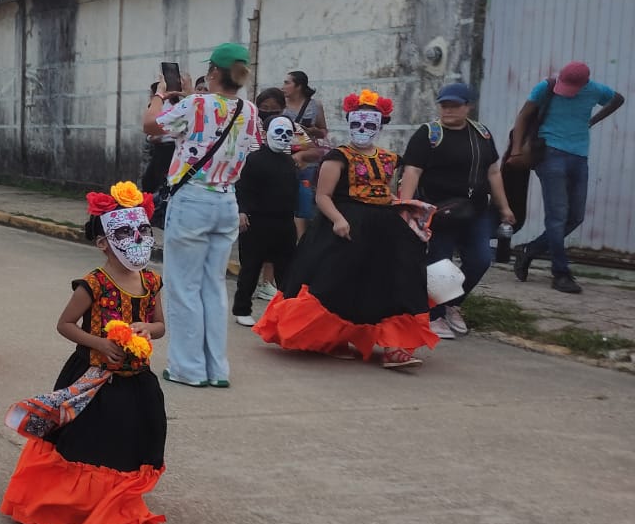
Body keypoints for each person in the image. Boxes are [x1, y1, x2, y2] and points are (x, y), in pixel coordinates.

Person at [0, 182, 167, 524]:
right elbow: (65, 325)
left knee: (136, 441)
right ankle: (114, 516)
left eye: (142, 230)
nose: (136, 238)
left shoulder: (151, 280)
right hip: (94, 379)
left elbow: (160, 324)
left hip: (137, 378)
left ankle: (120, 504)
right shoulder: (93, 284)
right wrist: (101, 343)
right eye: (123, 232)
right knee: (96, 444)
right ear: (103, 242)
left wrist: (146, 329)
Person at [255, 90, 438, 370]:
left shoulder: (390, 158)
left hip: (383, 227)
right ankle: (334, 339)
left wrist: (405, 212)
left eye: (369, 125)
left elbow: (388, 192)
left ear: (380, 125)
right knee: (336, 284)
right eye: (357, 124)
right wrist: (339, 220)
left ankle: (393, 345)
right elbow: (322, 196)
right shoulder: (338, 157)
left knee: (393, 282)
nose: (362, 130)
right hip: (344, 224)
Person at [142, 42, 262, 388]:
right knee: (213, 286)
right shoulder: (249, 110)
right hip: (226, 200)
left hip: (192, 201)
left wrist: (160, 95)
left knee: (183, 286)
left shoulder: (196, 103)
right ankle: (216, 368)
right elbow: (250, 146)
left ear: (212, 73)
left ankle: (188, 368)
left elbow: (151, 126)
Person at [399, 83, 515, 338]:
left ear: (468, 106)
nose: (448, 110)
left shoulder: (481, 134)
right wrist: (405, 208)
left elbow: (493, 171)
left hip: (475, 211)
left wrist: (504, 207)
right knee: (439, 264)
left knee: (480, 260)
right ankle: (434, 314)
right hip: (439, 213)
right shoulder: (428, 134)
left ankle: (452, 304)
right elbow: (412, 171)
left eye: (455, 105)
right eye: (444, 105)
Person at [510, 62, 624, 293]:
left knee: (576, 217)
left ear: (585, 83)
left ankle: (529, 250)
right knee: (557, 216)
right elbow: (524, 116)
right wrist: (516, 149)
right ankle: (561, 274)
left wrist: (593, 120)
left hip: (580, 157)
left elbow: (618, 99)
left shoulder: (596, 90)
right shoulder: (546, 87)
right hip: (549, 154)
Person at [232, 115, 299, 328]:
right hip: (257, 222)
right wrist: (242, 212)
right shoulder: (255, 159)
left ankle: (287, 310)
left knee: (286, 270)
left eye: (288, 133)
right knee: (250, 268)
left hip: (284, 222)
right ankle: (242, 309)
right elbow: (243, 187)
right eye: (279, 132)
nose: (283, 137)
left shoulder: (290, 162)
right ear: (267, 133)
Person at [282, 70, 330, 235]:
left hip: (307, 158)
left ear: (299, 86)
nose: (283, 87)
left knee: (303, 197)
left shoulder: (314, 105)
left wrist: (313, 130)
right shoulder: (280, 104)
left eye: (287, 83)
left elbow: (323, 132)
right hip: (284, 156)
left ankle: (301, 238)